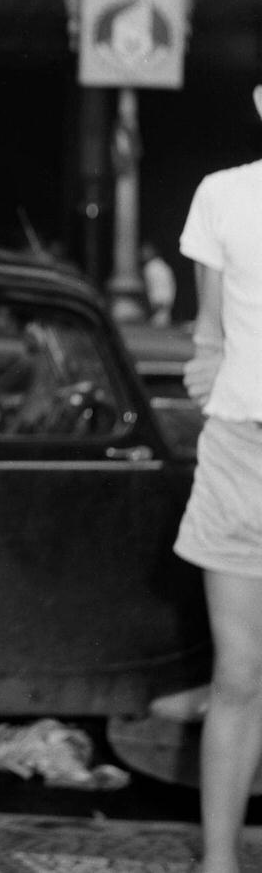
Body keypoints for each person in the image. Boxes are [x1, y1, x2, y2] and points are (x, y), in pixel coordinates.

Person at [175, 83, 262, 873]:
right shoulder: (224, 195)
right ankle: (221, 861)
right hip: (242, 452)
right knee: (239, 674)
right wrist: (212, 374)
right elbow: (206, 333)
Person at [141, 239, 177, 326]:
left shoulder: (153, 266)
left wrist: (157, 302)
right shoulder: (159, 265)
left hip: (160, 302)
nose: (142, 254)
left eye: (146, 251)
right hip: (164, 301)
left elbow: (160, 286)